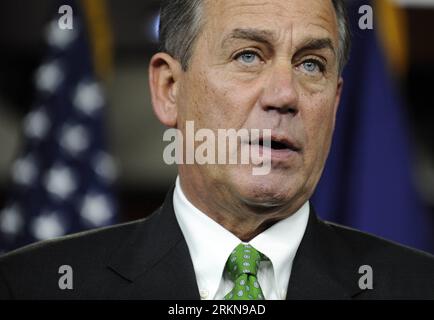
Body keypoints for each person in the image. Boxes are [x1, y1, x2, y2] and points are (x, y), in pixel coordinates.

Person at [0, 0, 433, 300]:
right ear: (170, 90)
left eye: (310, 64)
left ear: (335, 104)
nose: (284, 94)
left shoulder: (419, 287)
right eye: (248, 56)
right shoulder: (28, 285)